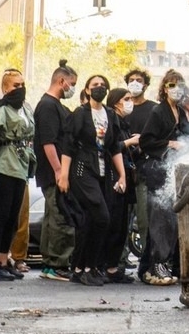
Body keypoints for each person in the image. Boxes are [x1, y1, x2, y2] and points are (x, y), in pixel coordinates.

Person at [58, 74, 127, 286]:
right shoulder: (80, 114)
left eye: (103, 85)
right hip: (82, 170)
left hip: (103, 172)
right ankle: (88, 266)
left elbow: (114, 146)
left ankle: (80, 268)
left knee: (89, 221)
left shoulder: (109, 114)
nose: (99, 88)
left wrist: (122, 175)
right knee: (101, 217)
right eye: (95, 85)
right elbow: (69, 145)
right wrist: (63, 175)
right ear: (87, 90)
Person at [138, 69, 189, 286]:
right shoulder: (158, 112)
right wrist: (168, 144)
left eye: (179, 85)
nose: (176, 89)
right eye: (171, 85)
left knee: (170, 222)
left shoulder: (181, 113)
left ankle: (149, 267)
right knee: (159, 220)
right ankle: (155, 268)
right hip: (157, 171)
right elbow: (145, 141)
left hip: (173, 172)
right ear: (164, 88)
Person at [34, 59, 78, 282]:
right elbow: (48, 143)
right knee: (60, 217)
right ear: (61, 81)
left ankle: (51, 263)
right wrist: (60, 172)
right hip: (54, 173)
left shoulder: (57, 106)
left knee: (54, 216)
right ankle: (56, 264)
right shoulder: (48, 106)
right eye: (72, 83)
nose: (73, 88)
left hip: (57, 173)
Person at [0, 68, 35, 280]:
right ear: (5, 88)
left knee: (13, 217)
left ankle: (3, 259)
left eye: (22, 85)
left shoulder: (25, 109)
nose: (20, 89)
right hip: (3, 165)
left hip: (20, 166)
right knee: (0, 216)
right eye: (15, 86)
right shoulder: (0, 109)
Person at [104, 88, 139, 283]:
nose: (130, 102)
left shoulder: (123, 122)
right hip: (115, 178)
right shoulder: (111, 119)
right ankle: (108, 266)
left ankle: (114, 266)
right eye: (126, 99)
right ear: (116, 102)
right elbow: (112, 146)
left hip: (126, 178)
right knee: (114, 224)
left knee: (122, 224)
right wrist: (130, 141)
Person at [124, 68, 157, 259]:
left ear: (145, 85)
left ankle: (147, 262)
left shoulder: (153, 109)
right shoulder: (121, 107)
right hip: (122, 169)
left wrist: (143, 141)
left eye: (139, 80)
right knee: (121, 220)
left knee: (144, 219)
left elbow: (158, 136)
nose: (135, 83)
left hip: (143, 170)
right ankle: (117, 264)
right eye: (131, 80)